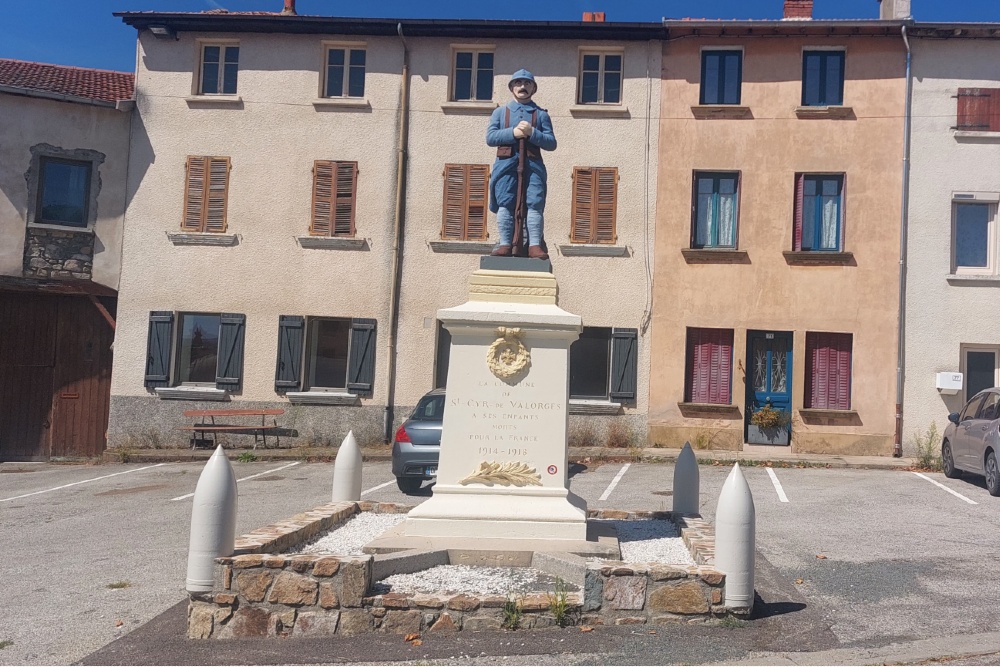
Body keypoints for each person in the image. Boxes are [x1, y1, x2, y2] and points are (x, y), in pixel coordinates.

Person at [486, 69, 557, 259]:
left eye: (527, 83)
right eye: (518, 83)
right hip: (506, 165)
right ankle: (505, 244)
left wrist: (533, 133)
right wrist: (513, 133)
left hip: (533, 166)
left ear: (533, 88)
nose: (522, 87)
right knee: (505, 203)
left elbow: (551, 143)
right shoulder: (500, 113)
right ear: (511, 88)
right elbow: (490, 137)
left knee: (534, 203)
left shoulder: (541, 115)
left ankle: (534, 245)